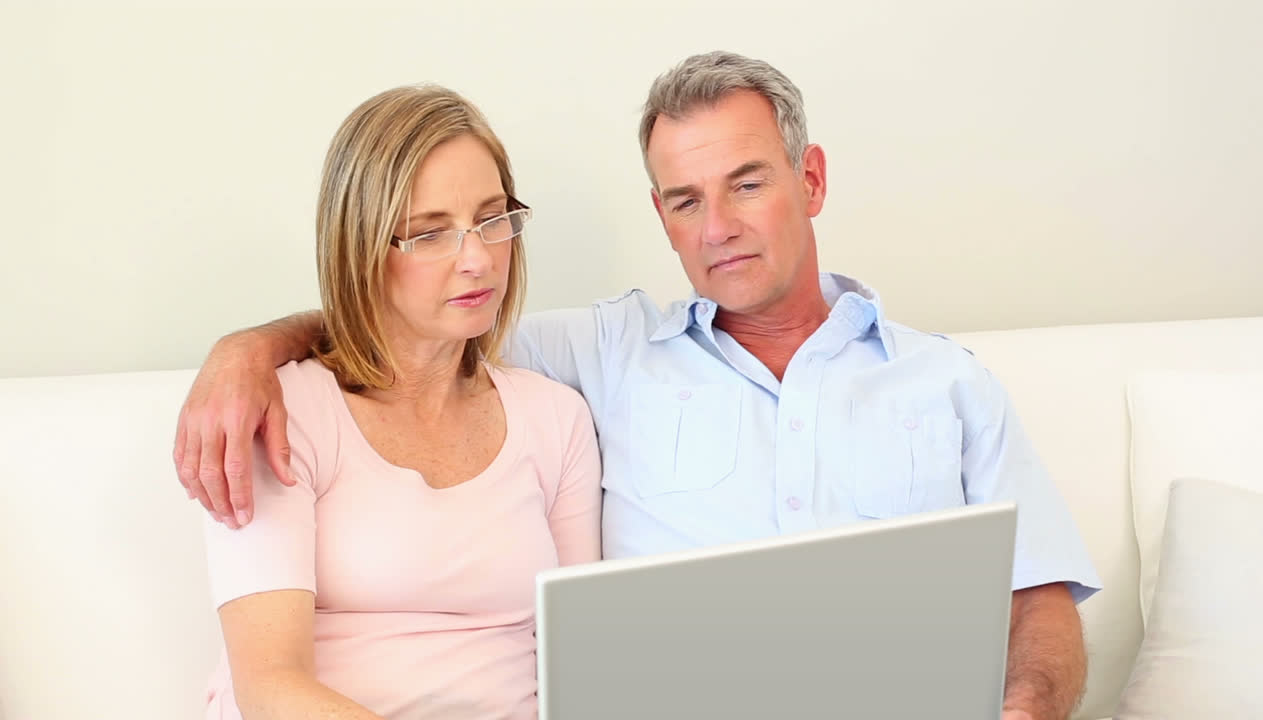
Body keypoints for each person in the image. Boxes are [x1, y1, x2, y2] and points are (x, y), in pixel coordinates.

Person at [176, 52, 1100, 720]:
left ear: (811, 180)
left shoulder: (946, 382)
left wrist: (1024, 710)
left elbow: (1042, 601)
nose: (718, 227)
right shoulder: (607, 355)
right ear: (661, 215)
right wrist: (248, 351)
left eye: (747, 184)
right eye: (686, 200)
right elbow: (411, 329)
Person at [196, 84, 602, 720]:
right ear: (361, 249)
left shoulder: (557, 418)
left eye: (493, 219)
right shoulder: (283, 413)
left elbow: (581, 668)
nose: (478, 259)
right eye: (429, 234)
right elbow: (269, 687)